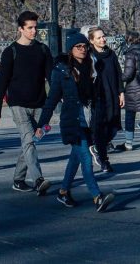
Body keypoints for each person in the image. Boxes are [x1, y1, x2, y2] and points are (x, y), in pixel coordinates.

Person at [36, 33, 114, 212]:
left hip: (88, 120)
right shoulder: (61, 71)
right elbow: (51, 100)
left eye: (85, 46)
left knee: (75, 159)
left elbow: (96, 97)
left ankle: (63, 191)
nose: (83, 49)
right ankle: (97, 197)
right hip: (73, 120)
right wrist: (42, 124)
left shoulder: (91, 68)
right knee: (86, 159)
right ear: (70, 49)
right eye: (78, 46)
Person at [0, 11, 53, 195]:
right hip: (18, 103)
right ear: (20, 29)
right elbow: (2, 81)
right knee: (28, 142)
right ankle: (38, 180)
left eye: (36, 27)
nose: (34, 31)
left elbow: (51, 77)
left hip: (39, 103)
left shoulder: (43, 50)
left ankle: (18, 179)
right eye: (30, 28)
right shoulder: (11, 51)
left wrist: (61, 96)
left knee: (30, 142)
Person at [87, 27, 124, 172]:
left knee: (113, 128)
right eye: (99, 38)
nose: (103, 39)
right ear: (92, 41)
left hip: (113, 94)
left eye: (103, 36)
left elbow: (118, 74)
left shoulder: (111, 54)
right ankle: (104, 161)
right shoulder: (90, 56)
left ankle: (98, 146)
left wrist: (121, 93)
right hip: (98, 97)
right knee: (100, 129)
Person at [117, 31, 140, 151]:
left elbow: (128, 74)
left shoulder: (131, 53)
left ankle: (128, 143)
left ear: (129, 40)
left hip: (133, 89)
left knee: (130, 116)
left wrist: (117, 77)